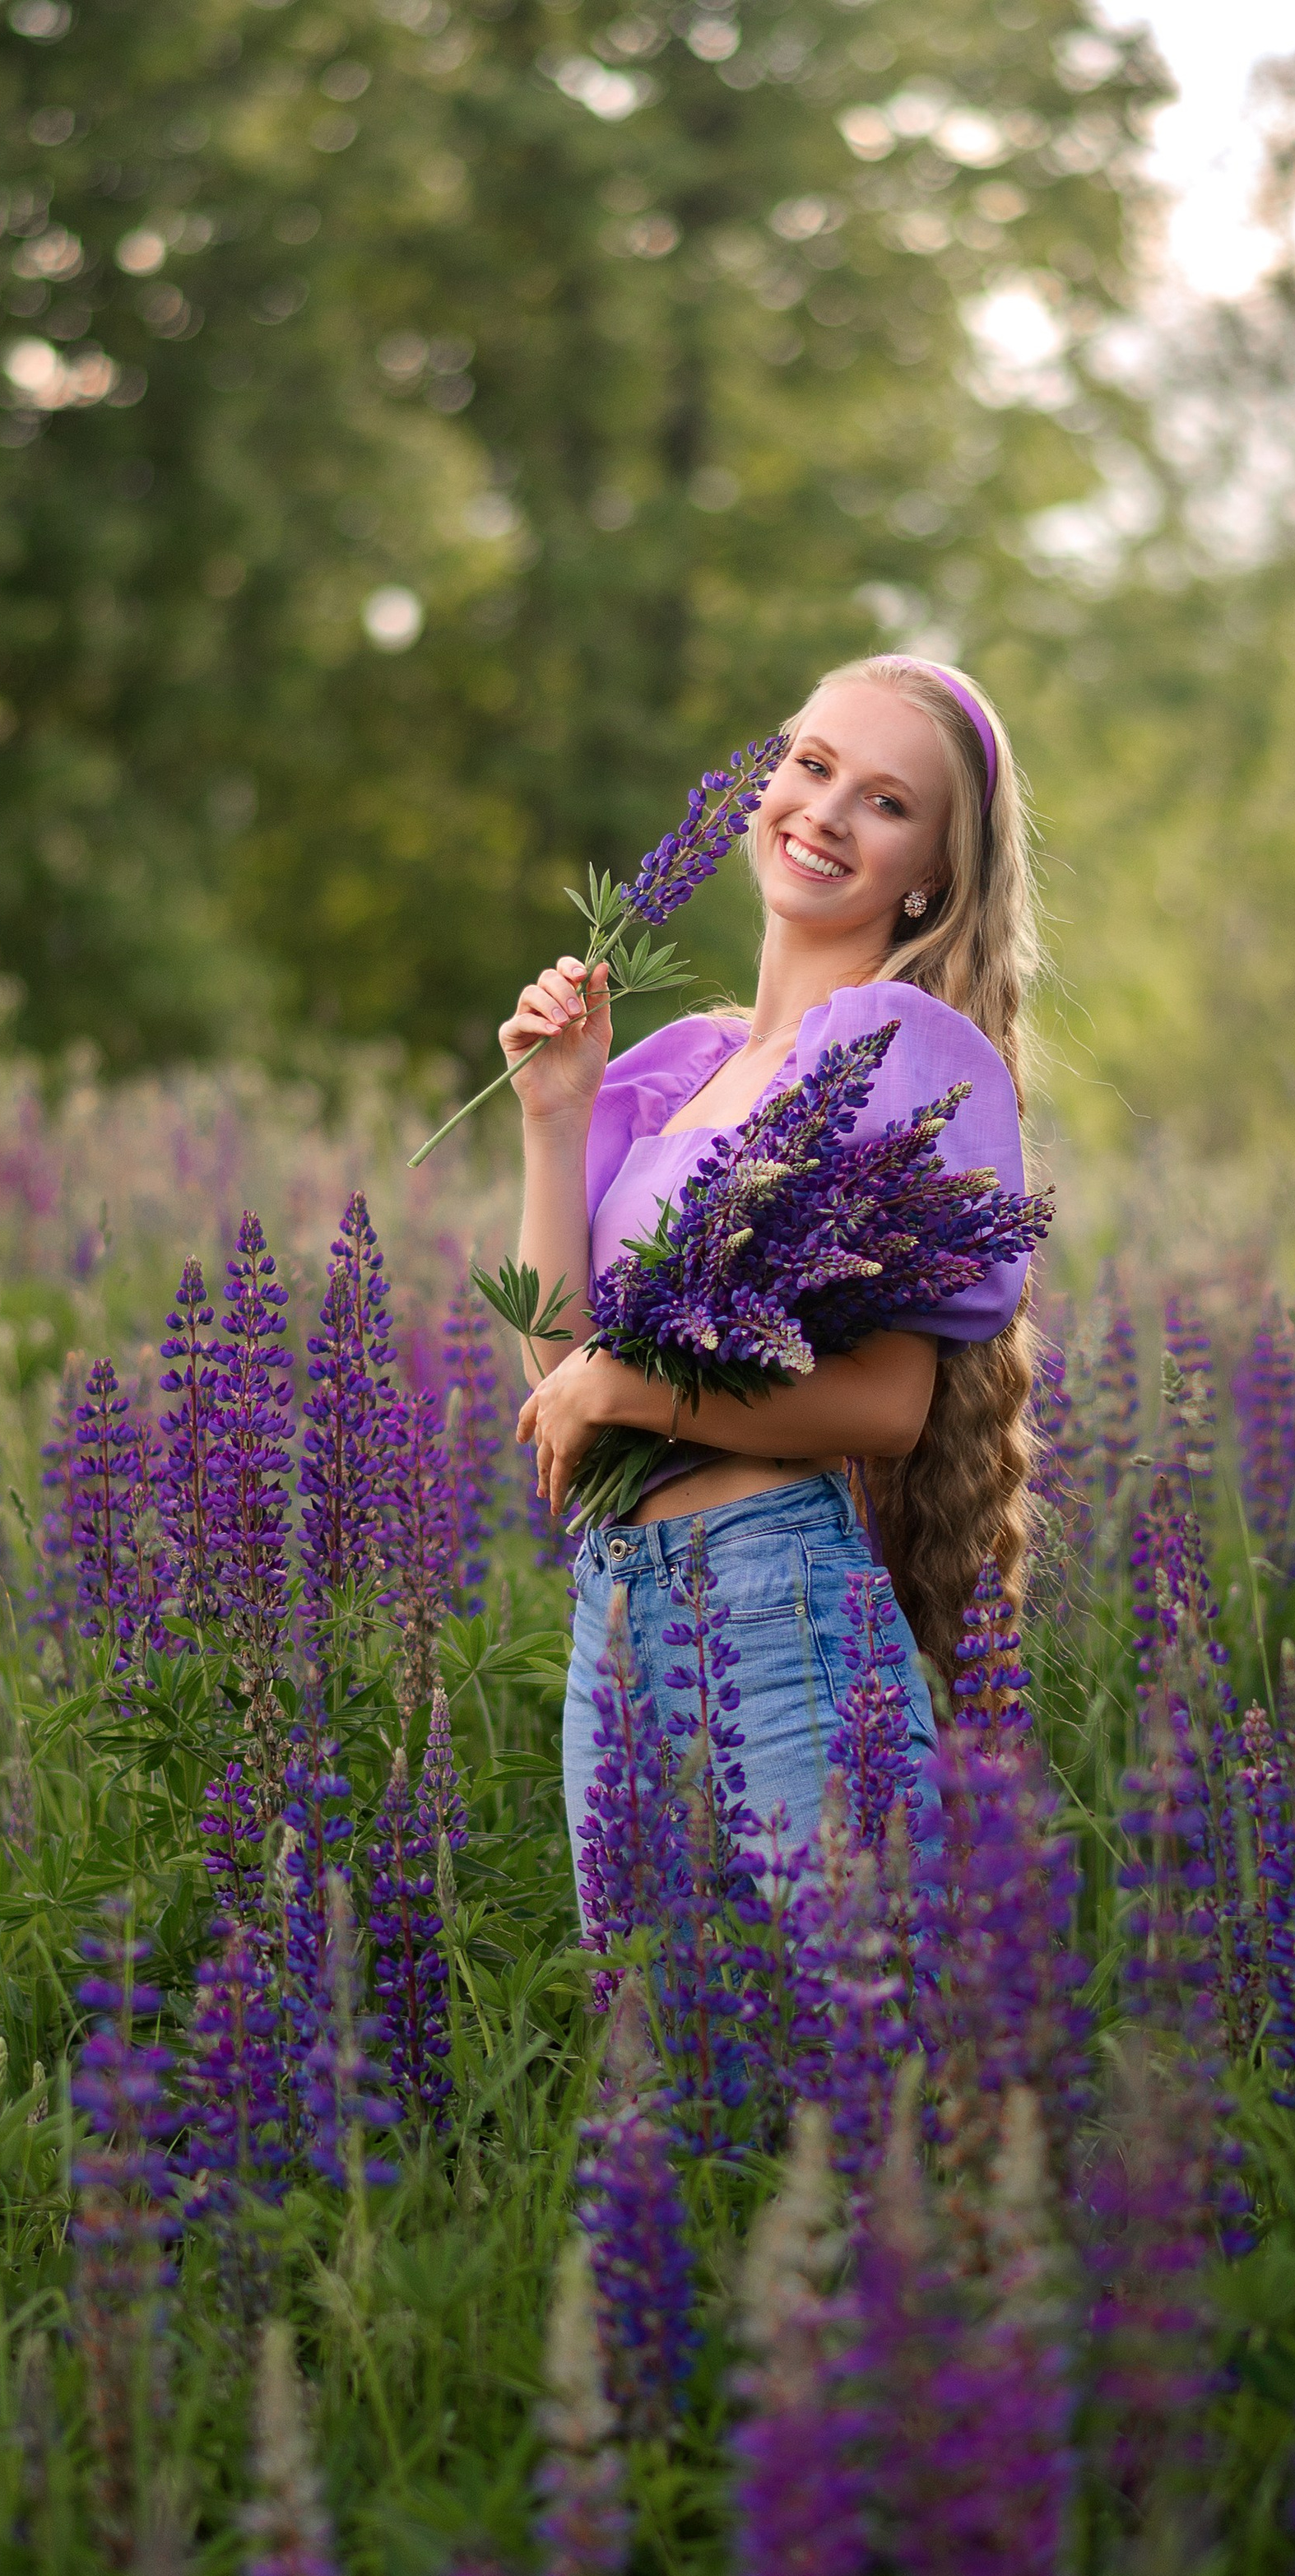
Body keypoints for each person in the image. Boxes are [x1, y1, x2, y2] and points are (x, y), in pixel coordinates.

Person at [504, 650, 1040, 1884]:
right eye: (813, 764)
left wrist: (626, 1390)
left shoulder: (899, 1050)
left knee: (830, 2055)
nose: (828, 812)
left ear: (935, 877)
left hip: (777, 1605)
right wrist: (555, 1112)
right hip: (618, 1613)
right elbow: (561, 1372)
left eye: (888, 802)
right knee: (652, 2045)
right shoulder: (690, 1067)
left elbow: (886, 1407)